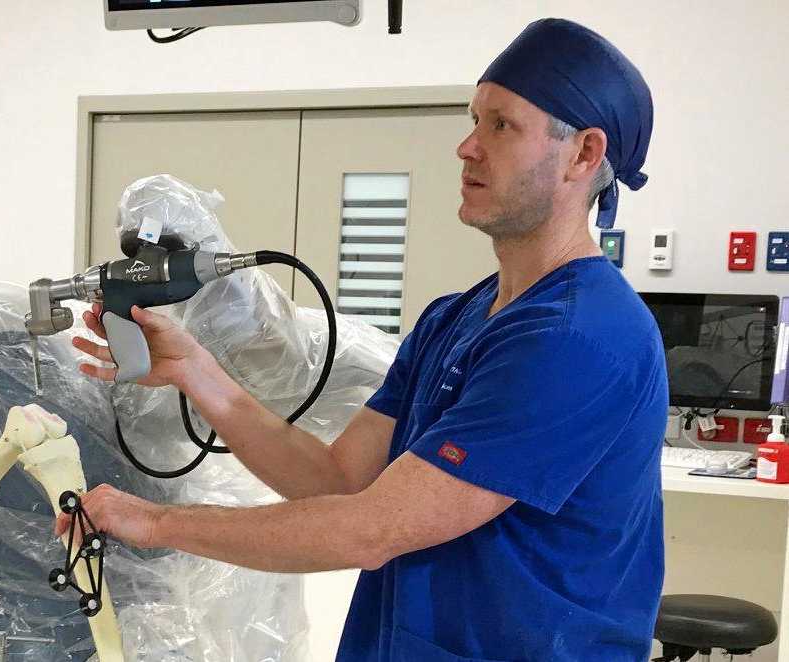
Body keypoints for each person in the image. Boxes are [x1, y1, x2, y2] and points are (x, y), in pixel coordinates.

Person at [60, 17, 666, 661]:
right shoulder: (453, 320)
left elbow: (373, 528)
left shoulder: (579, 338)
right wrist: (196, 371)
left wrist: (156, 523)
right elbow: (337, 479)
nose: (467, 147)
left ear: (584, 153)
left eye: (501, 124)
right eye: (473, 119)